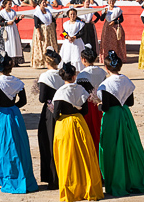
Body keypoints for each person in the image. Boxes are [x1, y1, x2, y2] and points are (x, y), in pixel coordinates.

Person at [98, 50, 144, 197]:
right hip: (125, 116)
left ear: (106, 68)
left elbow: (105, 107)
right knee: (129, 148)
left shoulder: (105, 85)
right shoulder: (126, 80)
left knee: (112, 150)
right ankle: (133, 180)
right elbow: (130, 102)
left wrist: (98, 104)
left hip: (111, 118)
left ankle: (115, 183)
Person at [52, 62, 104, 202]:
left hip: (65, 126)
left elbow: (56, 114)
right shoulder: (82, 90)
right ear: (74, 76)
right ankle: (88, 186)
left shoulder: (60, 92)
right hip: (80, 123)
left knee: (68, 158)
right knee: (85, 156)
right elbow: (86, 111)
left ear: (63, 76)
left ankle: (72, 190)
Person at [0, 53, 38, 194]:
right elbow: (23, 101)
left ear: (0, 68)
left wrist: (1, 110)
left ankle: (4, 178)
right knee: (19, 145)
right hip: (15, 115)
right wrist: (13, 107)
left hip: (1, 115)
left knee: (2, 147)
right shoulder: (17, 82)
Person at [37, 49, 64, 190]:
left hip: (49, 111)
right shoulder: (62, 73)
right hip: (64, 111)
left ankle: (52, 179)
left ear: (47, 62)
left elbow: (42, 98)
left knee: (48, 142)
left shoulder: (45, 76)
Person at [76, 47, 107, 153]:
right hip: (101, 104)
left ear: (83, 59)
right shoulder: (102, 72)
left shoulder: (82, 75)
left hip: (88, 107)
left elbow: (80, 94)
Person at [32, 0, 58, 68]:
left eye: (45, 2)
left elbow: (52, 20)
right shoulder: (37, 13)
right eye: (43, 2)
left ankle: (51, 60)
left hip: (49, 30)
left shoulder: (48, 11)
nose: (44, 4)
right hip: (42, 30)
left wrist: (57, 16)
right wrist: (39, 33)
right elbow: (36, 24)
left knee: (51, 44)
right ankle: (42, 62)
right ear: (39, 4)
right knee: (43, 45)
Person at [0, 0, 24, 66]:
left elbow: (14, 22)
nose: (10, 5)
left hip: (13, 29)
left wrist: (19, 19)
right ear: (5, 5)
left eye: (11, 4)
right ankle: (7, 61)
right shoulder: (2, 13)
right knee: (8, 44)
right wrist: (7, 23)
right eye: (9, 4)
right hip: (7, 30)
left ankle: (14, 62)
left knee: (15, 44)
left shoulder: (13, 12)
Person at [61, 7, 87, 72]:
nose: (72, 16)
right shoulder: (66, 24)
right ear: (69, 15)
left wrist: (74, 37)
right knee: (67, 56)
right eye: (71, 14)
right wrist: (67, 37)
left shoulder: (80, 23)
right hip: (68, 43)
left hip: (77, 42)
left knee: (77, 55)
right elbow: (62, 33)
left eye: (74, 14)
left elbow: (83, 33)